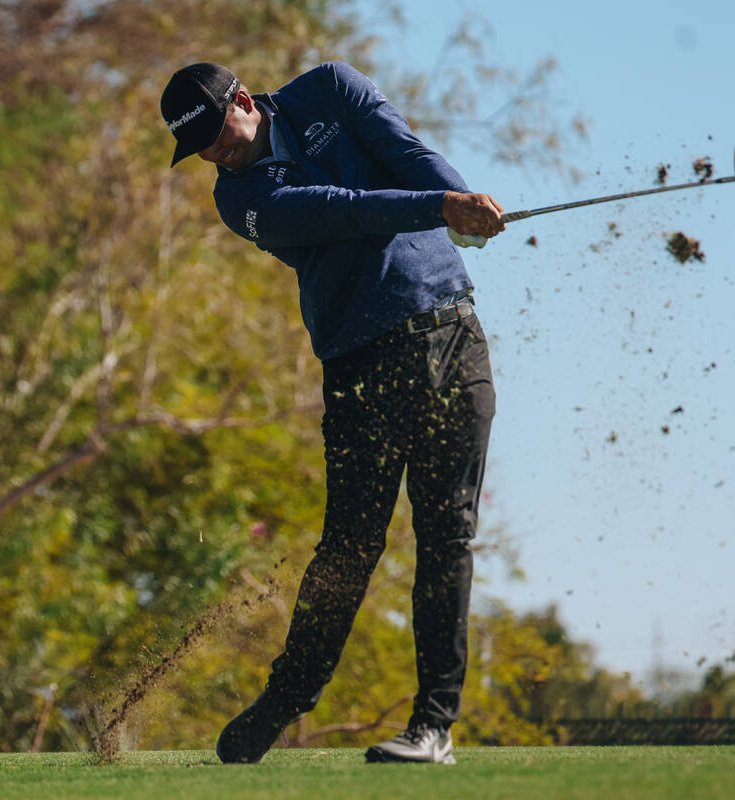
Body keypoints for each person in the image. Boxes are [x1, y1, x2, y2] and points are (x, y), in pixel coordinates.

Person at [160, 61, 505, 765]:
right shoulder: (243, 200)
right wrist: (440, 209)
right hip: (359, 365)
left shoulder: (332, 90)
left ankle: (432, 726)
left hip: (451, 340)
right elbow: (340, 210)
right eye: (196, 148)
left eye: (214, 133)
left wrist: (458, 195)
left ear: (245, 102)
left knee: (446, 537)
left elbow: (403, 155)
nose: (212, 154)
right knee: (349, 546)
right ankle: (286, 699)